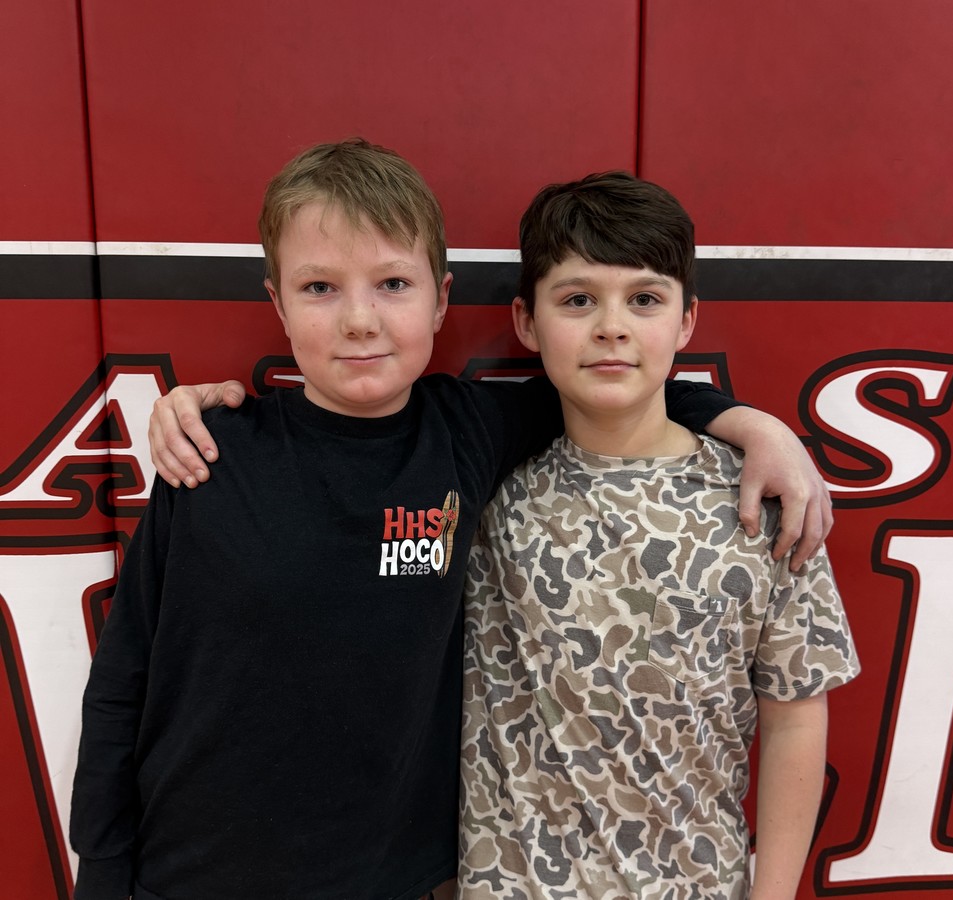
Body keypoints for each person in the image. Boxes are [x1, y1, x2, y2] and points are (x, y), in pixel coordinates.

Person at [79, 139, 828, 900]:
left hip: (395, 880)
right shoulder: (210, 454)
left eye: (392, 284)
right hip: (196, 872)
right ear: (278, 302)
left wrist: (754, 426)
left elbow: (616, 383)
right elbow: (122, 678)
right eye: (320, 288)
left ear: (440, 300)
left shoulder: (468, 432)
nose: (360, 320)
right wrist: (102, 872)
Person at [459, 172, 859, 899]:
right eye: (577, 300)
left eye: (644, 299)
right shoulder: (482, 490)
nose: (611, 327)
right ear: (526, 321)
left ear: (686, 320)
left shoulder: (763, 498)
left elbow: (797, 716)